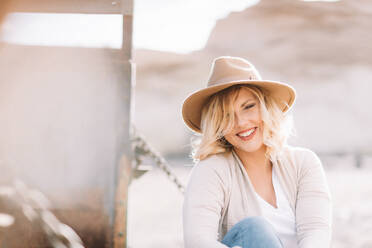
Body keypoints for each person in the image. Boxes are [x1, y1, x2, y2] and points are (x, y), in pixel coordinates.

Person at [181, 56, 332, 248]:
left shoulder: (304, 163)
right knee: (255, 229)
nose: (241, 122)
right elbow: (197, 241)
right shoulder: (211, 170)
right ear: (217, 123)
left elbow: (316, 231)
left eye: (249, 107)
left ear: (266, 107)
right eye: (226, 115)